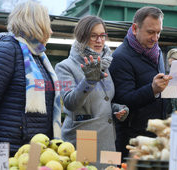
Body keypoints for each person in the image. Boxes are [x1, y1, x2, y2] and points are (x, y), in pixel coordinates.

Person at [0, 1, 61, 163]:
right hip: (5, 152)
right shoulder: (6, 50)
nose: (50, 30)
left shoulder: (38, 56)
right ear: (37, 23)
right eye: (47, 23)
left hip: (33, 150)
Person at [55, 15, 129, 168]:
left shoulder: (107, 62)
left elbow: (104, 100)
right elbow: (70, 103)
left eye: (102, 35)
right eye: (93, 36)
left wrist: (118, 109)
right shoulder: (65, 66)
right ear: (82, 37)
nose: (99, 40)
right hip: (84, 139)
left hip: (109, 139)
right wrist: (88, 81)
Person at [109, 6, 172, 159]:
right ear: (135, 28)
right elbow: (123, 100)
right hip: (133, 140)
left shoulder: (156, 51)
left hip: (155, 135)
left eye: (158, 32)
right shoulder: (120, 57)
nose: (155, 38)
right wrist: (152, 90)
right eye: (150, 32)